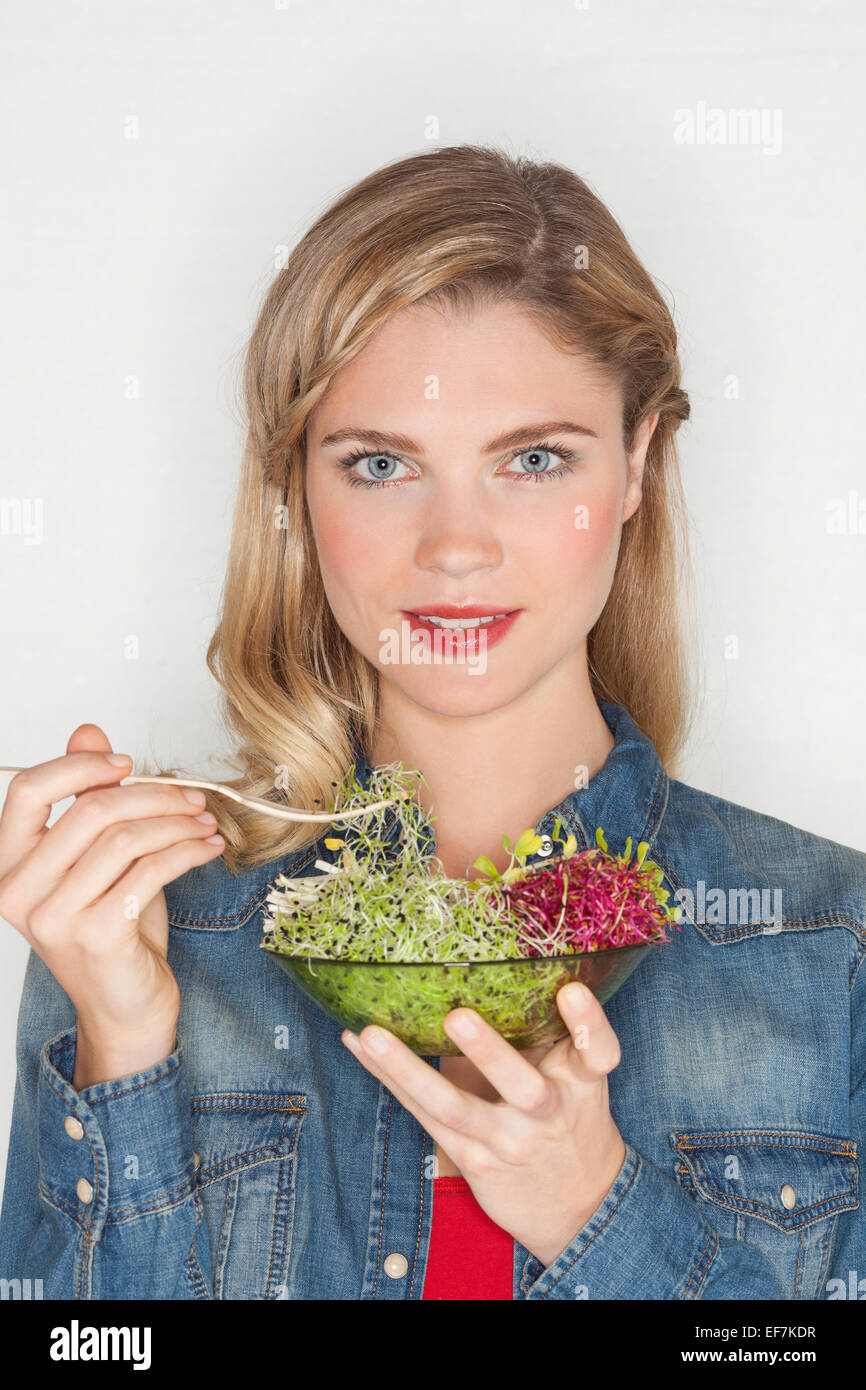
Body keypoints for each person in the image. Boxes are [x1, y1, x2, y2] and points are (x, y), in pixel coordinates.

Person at [0, 145, 863, 1301]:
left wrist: (597, 1217)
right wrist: (123, 1044)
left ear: (639, 461)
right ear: (296, 485)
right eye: (380, 464)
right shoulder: (138, 931)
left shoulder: (830, 947)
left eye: (534, 458)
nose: (455, 548)